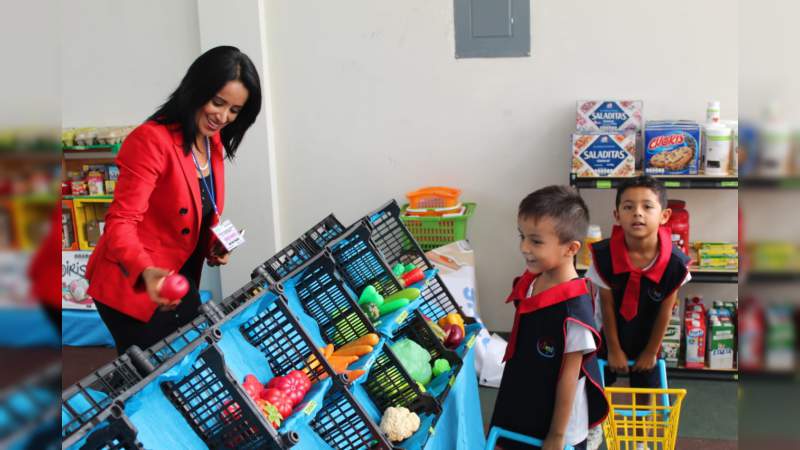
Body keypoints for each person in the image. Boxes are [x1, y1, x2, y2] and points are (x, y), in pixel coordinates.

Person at [85, 46, 262, 355]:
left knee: (187, 362)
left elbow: (200, 205)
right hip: (134, 282)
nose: (223, 116)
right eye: (217, 102)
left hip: (178, 279)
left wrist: (213, 245)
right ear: (195, 90)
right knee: (151, 374)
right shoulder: (151, 140)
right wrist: (146, 271)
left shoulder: (212, 141)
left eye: (234, 110)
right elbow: (120, 223)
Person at [489, 186, 608, 450]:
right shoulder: (533, 280)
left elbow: (569, 378)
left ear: (571, 248)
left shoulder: (574, 312)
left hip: (558, 421)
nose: (524, 248)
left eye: (536, 241)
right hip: (524, 393)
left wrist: (556, 436)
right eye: (522, 237)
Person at [587, 175, 691, 389]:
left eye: (647, 206)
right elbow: (606, 306)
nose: (637, 213)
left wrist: (651, 351)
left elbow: (666, 310)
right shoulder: (603, 256)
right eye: (628, 207)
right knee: (599, 389)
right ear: (617, 215)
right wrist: (614, 350)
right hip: (610, 333)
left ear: (664, 215)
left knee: (647, 388)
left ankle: (643, 417)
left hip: (650, 335)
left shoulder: (675, 264)